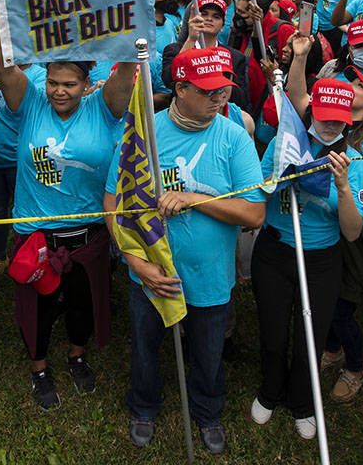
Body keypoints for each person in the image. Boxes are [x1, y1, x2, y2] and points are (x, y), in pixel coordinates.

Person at [104, 47, 265, 454]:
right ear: (179, 88)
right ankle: (143, 405)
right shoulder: (144, 132)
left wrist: (194, 199)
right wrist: (136, 263)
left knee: (208, 353)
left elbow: (255, 213)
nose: (219, 99)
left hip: (211, 277)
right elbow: (112, 203)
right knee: (145, 348)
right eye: (208, 90)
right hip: (150, 273)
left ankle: (208, 411)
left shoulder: (233, 137)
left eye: (224, 90)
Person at [0, 20, 137, 409]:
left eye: (69, 84)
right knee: (36, 308)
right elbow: (5, 67)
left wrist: (128, 9)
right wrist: (1, 10)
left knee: (82, 304)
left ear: (86, 82)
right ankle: (39, 366)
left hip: (88, 234)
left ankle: (76, 354)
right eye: (53, 81)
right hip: (36, 234)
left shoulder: (104, 108)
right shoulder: (31, 104)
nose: (59, 91)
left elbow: (126, 68)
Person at [251, 79, 363, 439]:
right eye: (324, 116)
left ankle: (302, 400)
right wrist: (282, 173)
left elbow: (352, 231)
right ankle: (270, 390)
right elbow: (259, 190)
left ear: (349, 120)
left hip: (320, 260)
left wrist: (343, 187)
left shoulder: (355, 161)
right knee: (272, 332)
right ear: (311, 111)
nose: (331, 125)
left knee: (310, 337)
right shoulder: (284, 143)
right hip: (274, 251)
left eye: (339, 119)